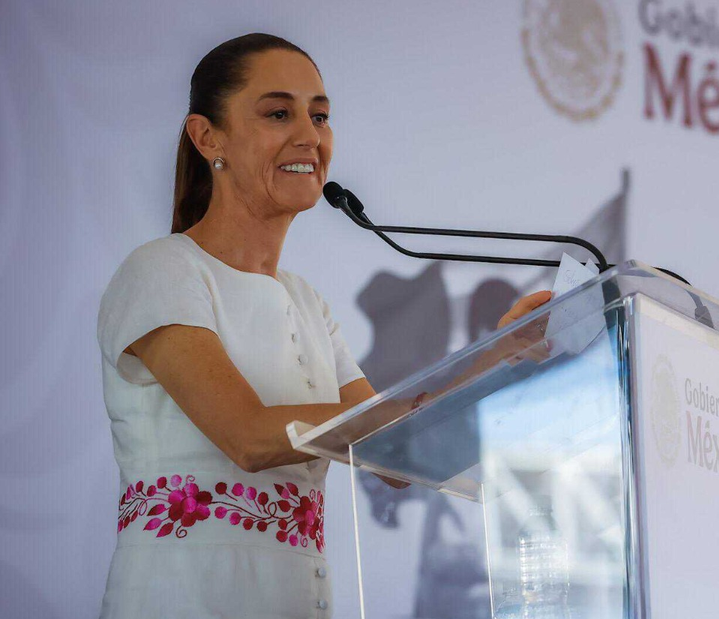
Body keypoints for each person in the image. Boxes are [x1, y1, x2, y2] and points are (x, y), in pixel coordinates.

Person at [96, 33, 551, 618]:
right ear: (208, 137)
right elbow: (247, 437)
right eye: (278, 113)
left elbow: (398, 457)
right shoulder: (161, 270)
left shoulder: (308, 304)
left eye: (319, 116)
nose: (310, 136)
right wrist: (389, 416)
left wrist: (504, 355)